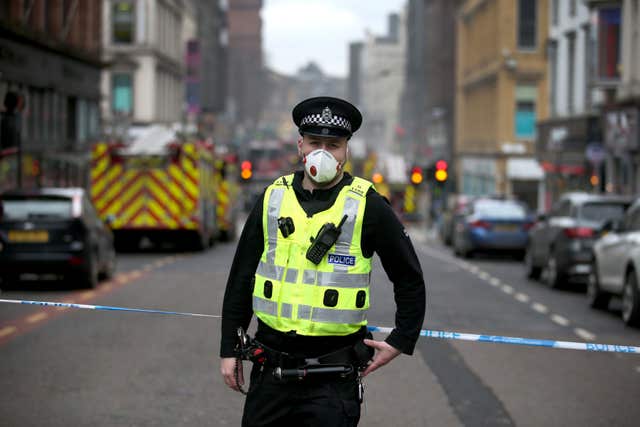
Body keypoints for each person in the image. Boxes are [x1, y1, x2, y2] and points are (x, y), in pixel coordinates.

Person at [220, 96, 426, 426]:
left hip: (334, 379)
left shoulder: (368, 206)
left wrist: (402, 340)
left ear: (346, 150)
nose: (323, 152)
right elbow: (242, 276)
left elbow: (409, 277)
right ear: (301, 145)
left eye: (334, 144)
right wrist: (230, 347)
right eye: (315, 142)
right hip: (271, 372)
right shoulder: (273, 198)